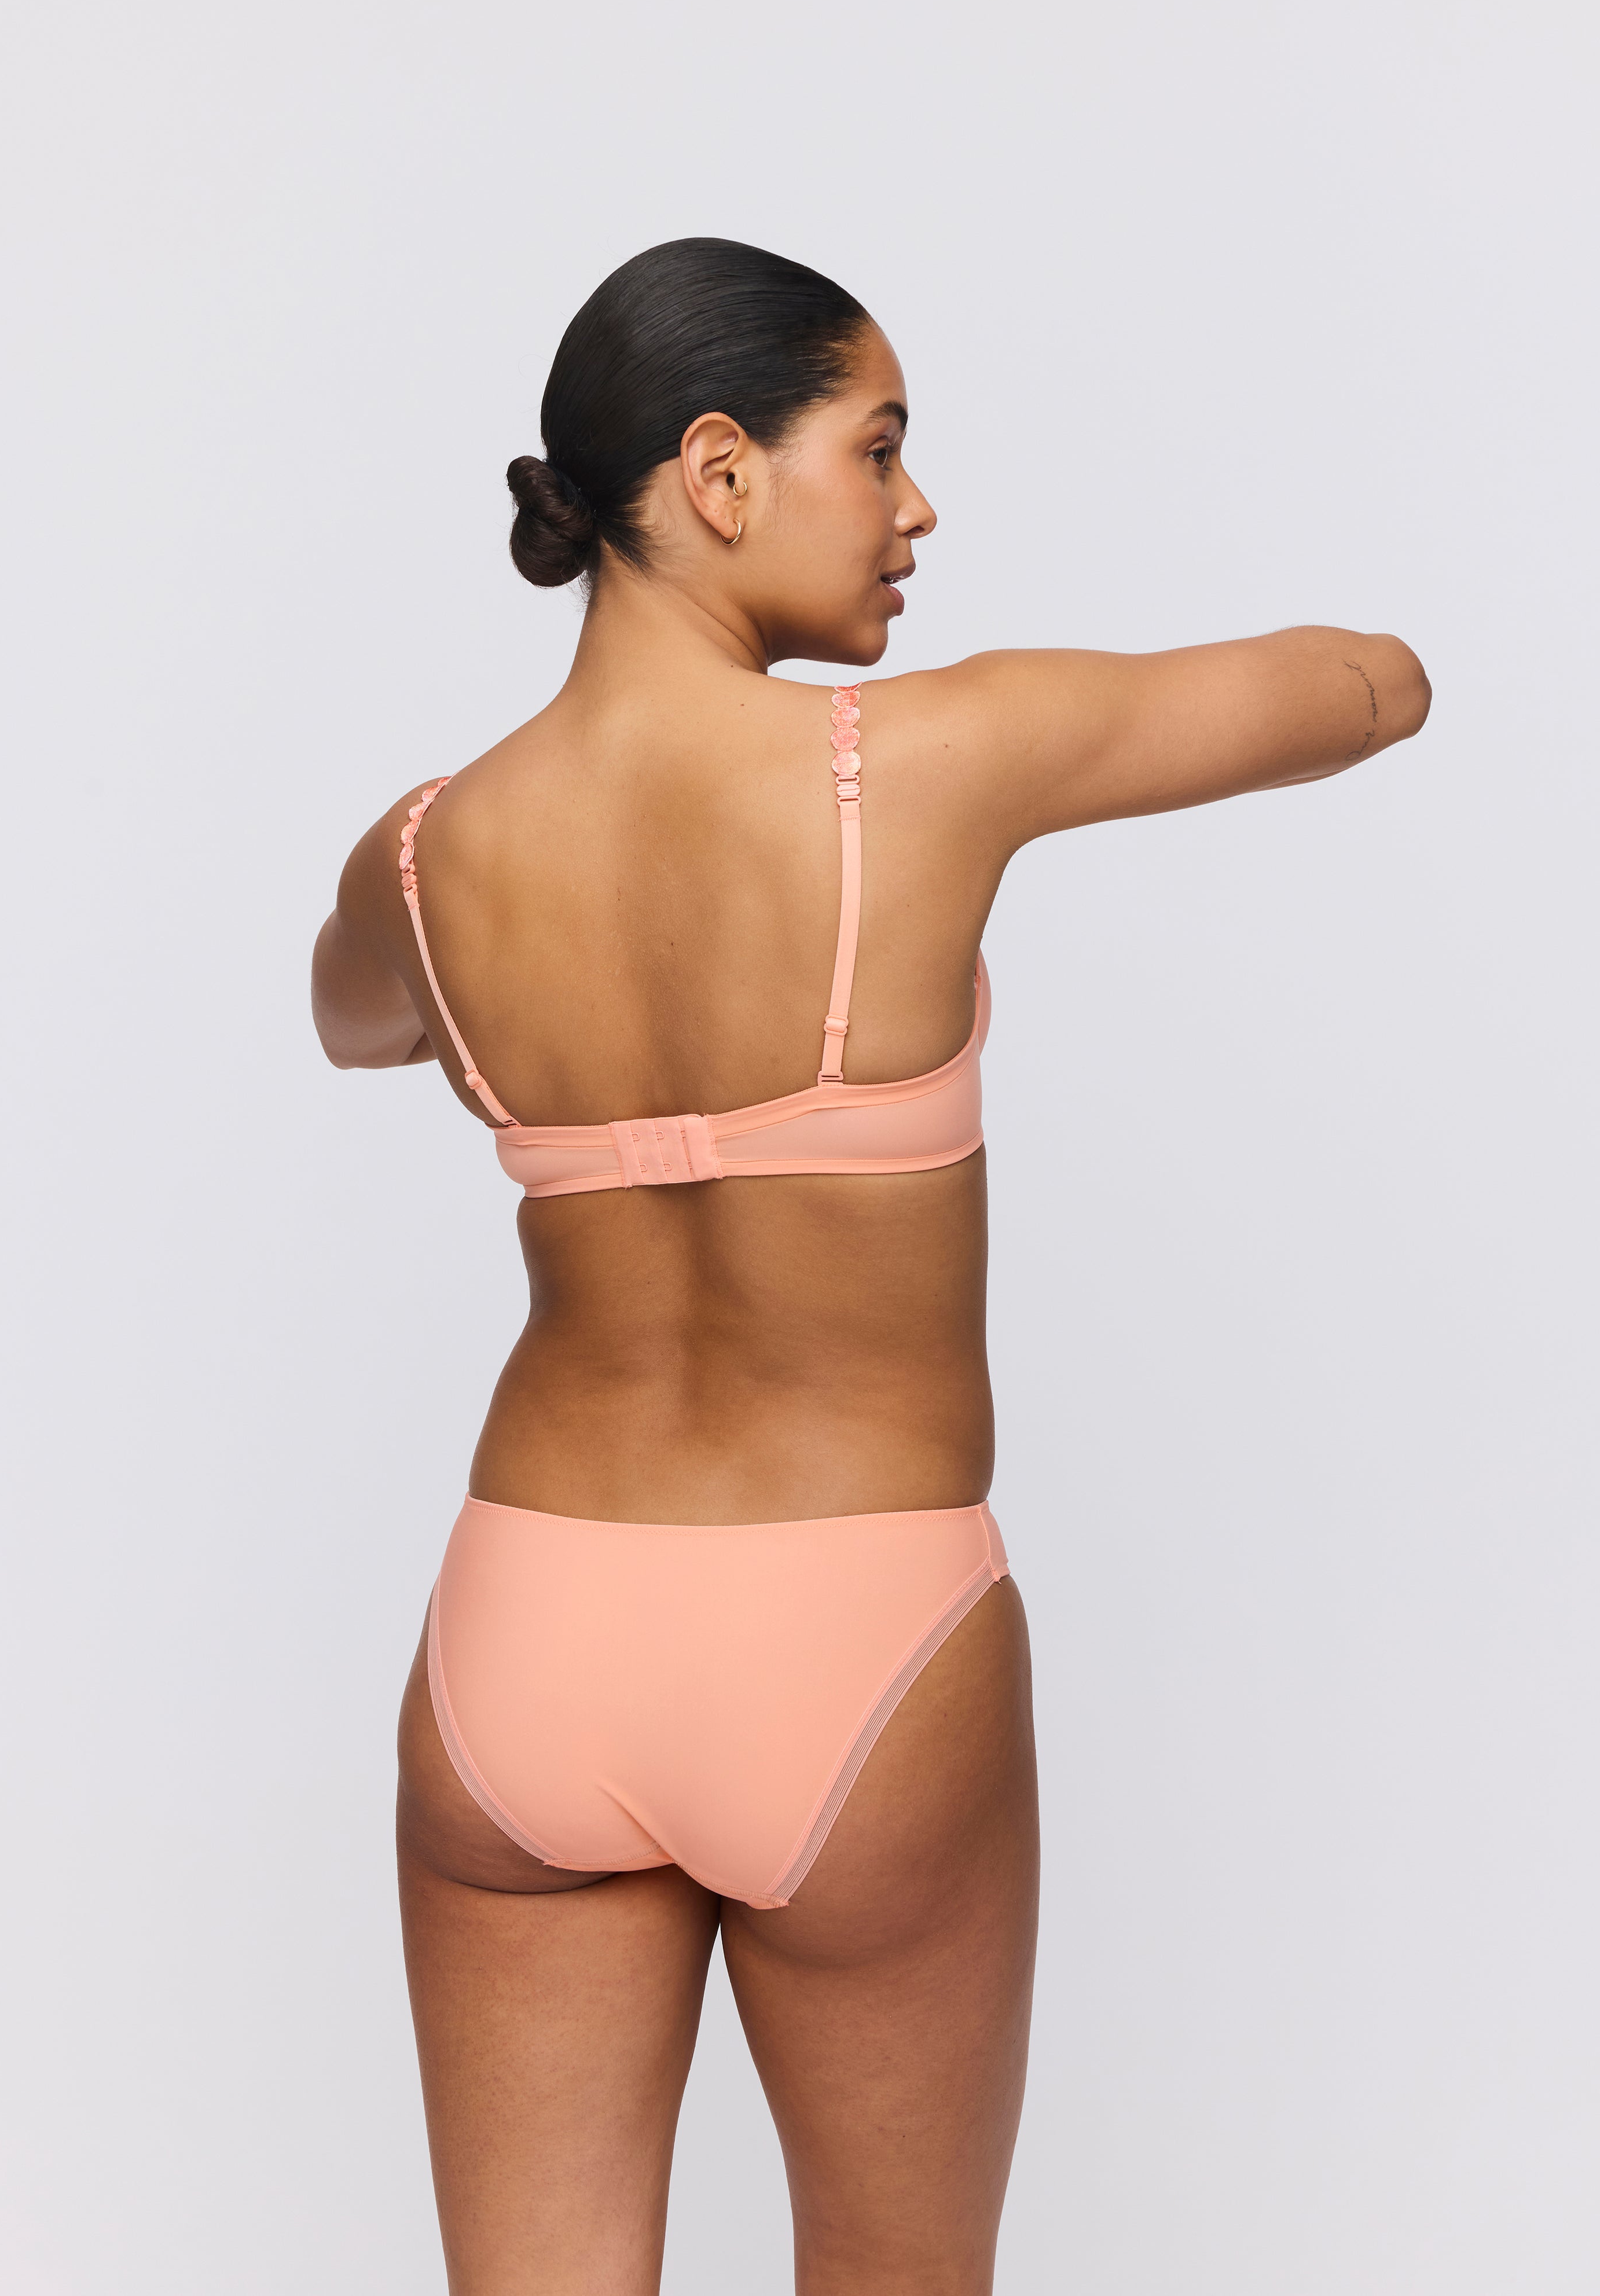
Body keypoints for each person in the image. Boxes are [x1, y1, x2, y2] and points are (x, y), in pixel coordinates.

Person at [310, 237, 1430, 2295]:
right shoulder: (928, 765)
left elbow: (353, 1024)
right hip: (855, 1633)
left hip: (524, 1631)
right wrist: (1370, 661)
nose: (917, 510)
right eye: (882, 447)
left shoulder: (423, 854)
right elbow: (1375, 689)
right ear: (719, 471)